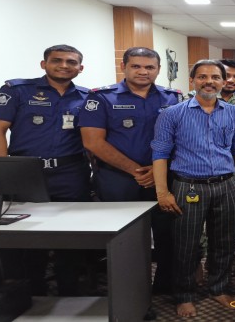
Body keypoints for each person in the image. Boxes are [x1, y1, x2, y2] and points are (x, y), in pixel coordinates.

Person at [0, 44, 90, 296]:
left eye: (71, 62)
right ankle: (33, 290)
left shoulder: (88, 97)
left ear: (80, 68)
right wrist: (2, 171)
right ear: (44, 64)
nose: (64, 65)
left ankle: (69, 289)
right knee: (29, 233)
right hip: (27, 172)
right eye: (57, 60)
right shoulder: (17, 90)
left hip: (71, 173)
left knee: (71, 234)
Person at [79, 46, 182, 293]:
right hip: (117, 178)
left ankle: (165, 287)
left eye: (149, 67)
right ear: (123, 67)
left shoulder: (173, 97)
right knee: (124, 237)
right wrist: (136, 170)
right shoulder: (101, 98)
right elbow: (93, 142)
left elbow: (182, 137)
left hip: (163, 178)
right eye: (136, 66)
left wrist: (157, 171)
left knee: (168, 234)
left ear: (158, 69)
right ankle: (128, 292)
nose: (143, 71)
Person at [151, 60, 235, 318]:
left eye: (215, 77)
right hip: (188, 186)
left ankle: (219, 288)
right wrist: (162, 192)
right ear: (192, 80)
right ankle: (184, 295)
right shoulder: (172, 113)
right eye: (202, 77)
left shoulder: (233, 112)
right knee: (186, 245)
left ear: (223, 81)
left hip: (227, 185)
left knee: (225, 242)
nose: (209, 82)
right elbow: (160, 154)